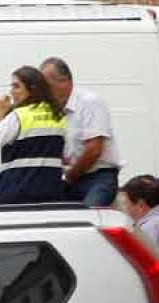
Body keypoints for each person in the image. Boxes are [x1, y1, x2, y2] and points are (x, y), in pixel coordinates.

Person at [42, 56, 122, 206]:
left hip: (97, 177)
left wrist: (70, 176)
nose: (43, 91)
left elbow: (94, 150)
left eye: (46, 84)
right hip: (70, 178)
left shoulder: (89, 102)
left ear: (64, 81)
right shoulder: (54, 110)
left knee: (90, 218)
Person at [0, 66, 67, 205]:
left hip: (16, 193)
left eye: (16, 86)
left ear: (32, 88)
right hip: (51, 193)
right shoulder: (58, 116)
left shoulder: (19, 115)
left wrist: (0, 112)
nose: (11, 92)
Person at [118, 175, 159, 273]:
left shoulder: (148, 231)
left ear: (141, 204)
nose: (125, 209)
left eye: (126, 203)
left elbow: (140, 268)